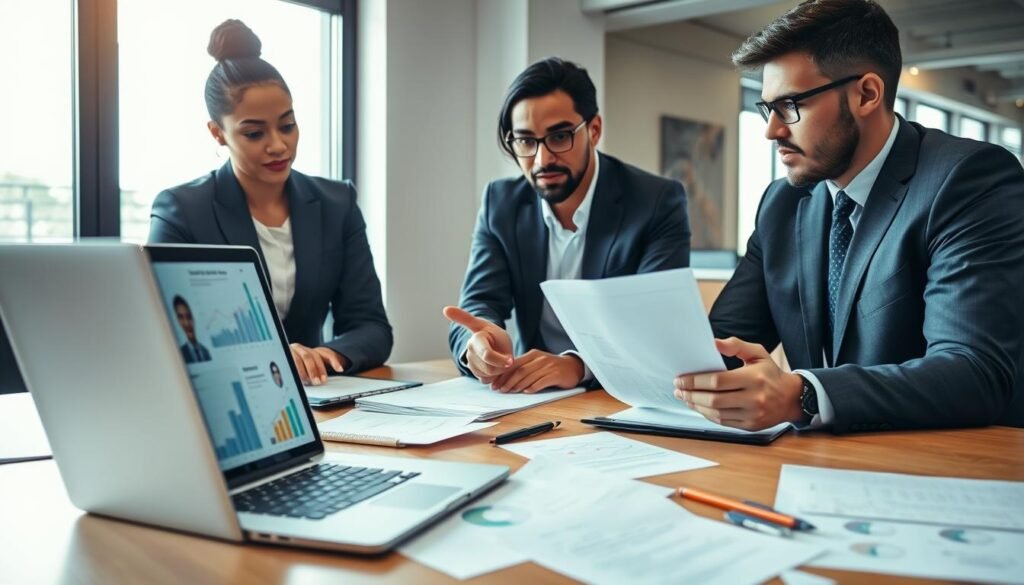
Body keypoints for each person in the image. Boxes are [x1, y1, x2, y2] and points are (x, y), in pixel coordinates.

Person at [674, 0, 1024, 433]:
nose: (771, 131)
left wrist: (802, 393)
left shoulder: (967, 180)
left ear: (867, 94)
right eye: (768, 109)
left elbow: (974, 373)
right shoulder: (782, 203)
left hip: (942, 465)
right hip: (820, 462)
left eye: (790, 105)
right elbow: (721, 346)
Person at [149, 20, 391, 384]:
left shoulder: (336, 203)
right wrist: (272, 354)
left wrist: (326, 355)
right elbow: (167, 332)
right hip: (225, 393)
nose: (278, 145)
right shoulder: (181, 212)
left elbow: (371, 327)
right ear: (218, 133)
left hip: (317, 397)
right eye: (254, 133)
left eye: (287, 125)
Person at [445, 57, 691, 393]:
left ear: (594, 130)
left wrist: (578, 365)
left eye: (560, 136)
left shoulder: (656, 201)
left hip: (619, 396)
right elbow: (477, 304)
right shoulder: (501, 203)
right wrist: (480, 342)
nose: (543, 159)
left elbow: (653, 327)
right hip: (530, 396)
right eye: (526, 141)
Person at [173, 296, 212, 364]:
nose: (186, 323)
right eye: (181, 317)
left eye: (189, 316)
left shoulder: (206, 352)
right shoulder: (179, 354)